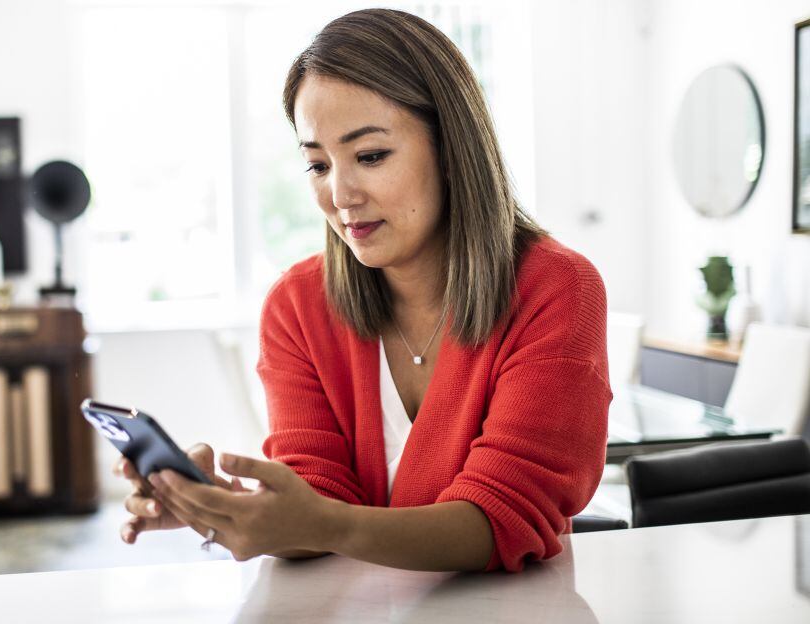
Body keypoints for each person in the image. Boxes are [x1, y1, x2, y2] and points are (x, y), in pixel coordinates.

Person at [113, 8, 611, 573]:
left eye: (370, 156)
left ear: (451, 150)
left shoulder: (556, 289)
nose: (340, 194)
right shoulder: (296, 306)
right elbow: (316, 498)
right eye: (317, 165)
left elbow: (502, 518)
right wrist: (222, 506)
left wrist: (321, 522)